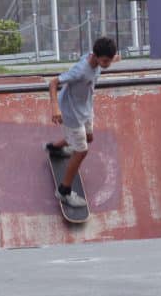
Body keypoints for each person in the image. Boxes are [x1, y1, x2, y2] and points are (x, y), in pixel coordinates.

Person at [46, 36, 119, 208]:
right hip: (72, 113)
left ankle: (54, 148)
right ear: (96, 56)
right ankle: (64, 191)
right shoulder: (80, 70)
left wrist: (113, 58)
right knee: (81, 151)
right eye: (105, 61)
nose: (107, 64)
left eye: (109, 61)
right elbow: (53, 83)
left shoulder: (97, 57)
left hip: (85, 108)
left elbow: (106, 57)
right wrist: (55, 108)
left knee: (89, 137)